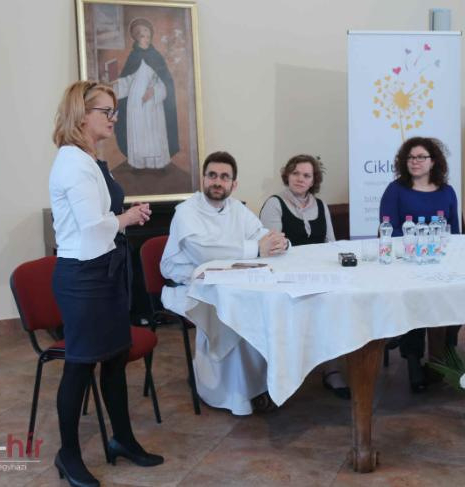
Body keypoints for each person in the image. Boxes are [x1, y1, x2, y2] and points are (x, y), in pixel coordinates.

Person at [49, 80, 162, 487]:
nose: (114, 118)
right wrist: (126, 219)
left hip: (106, 272)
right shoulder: (71, 163)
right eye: (106, 111)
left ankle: (122, 440)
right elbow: (92, 226)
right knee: (80, 366)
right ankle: (68, 455)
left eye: (115, 111)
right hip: (84, 278)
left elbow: (104, 215)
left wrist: (127, 215)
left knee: (114, 359)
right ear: (82, 114)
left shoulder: (91, 159)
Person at [160, 151, 289, 415]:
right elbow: (204, 252)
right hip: (189, 286)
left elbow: (260, 234)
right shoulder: (186, 211)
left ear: (234, 183)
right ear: (203, 179)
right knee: (231, 314)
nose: (217, 182)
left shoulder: (236, 209)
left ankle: (257, 386)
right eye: (212, 175)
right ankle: (226, 393)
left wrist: (280, 242)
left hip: (230, 282)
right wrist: (257, 248)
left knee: (256, 309)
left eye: (224, 177)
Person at [259, 154, 349, 399]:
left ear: (313, 180)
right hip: (285, 278)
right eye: (296, 173)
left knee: (335, 307)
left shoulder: (320, 205)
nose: (300, 179)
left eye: (306, 175)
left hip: (319, 276)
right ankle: (286, 374)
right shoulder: (275, 204)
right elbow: (272, 247)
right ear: (287, 175)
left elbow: (331, 244)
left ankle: (332, 369)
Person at [379, 136, 461, 393]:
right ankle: (413, 359)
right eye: (411, 157)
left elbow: (455, 232)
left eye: (421, 157)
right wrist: (414, 250)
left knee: (452, 299)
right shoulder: (395, 189)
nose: (415, 161)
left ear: (433, 161)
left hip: (440, 262)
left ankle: (443, 356)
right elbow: (388, 229)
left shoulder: (447, 192)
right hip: (407, 263)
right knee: (414, 302)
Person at [114, 17, 179, 169]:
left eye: (148, 36)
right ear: (136, 38)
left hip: (153, 104)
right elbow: (127, 81)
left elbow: (165, 82)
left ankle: (158, 163)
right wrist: (114, 87)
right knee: (139, 132)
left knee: (154, 132)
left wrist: (154, 91)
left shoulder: (156, 57)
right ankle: (139, 163)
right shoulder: (133, 57)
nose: (146, 39)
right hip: (136, 103)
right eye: (142, 36)